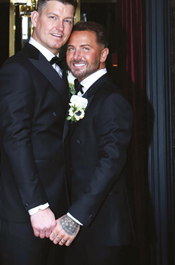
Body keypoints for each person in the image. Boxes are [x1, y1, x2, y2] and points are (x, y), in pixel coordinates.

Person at [0, 0, 78, 264]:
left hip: (60, 208)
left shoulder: (64, 69)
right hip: (27, 210)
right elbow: (15, 139)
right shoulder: (17, 69)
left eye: (67, 20)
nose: (60, 27)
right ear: (34, 18)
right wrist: (37, 207)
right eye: (53, 17)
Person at [49, 21, 134, 264]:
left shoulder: (111, 99)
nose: (76, 56)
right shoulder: (77, 93)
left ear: (104, 54)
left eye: (85, 48)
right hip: (78, 226)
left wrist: (74, 217)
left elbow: (111, 162)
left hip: (101, 229)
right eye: (71, 49)